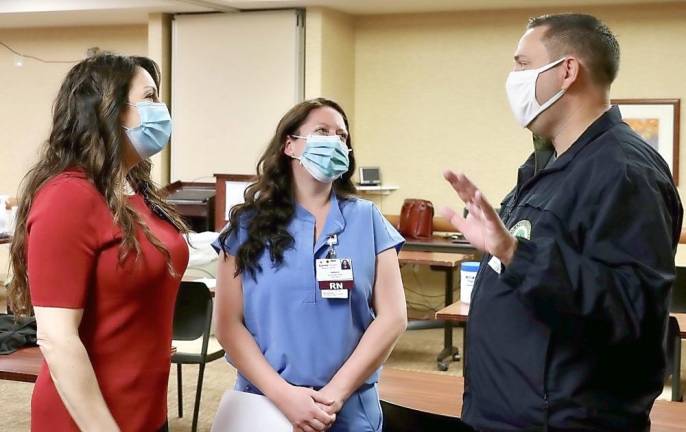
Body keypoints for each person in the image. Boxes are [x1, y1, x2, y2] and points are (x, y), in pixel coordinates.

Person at [441, 13, 683, 431]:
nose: (512, 78)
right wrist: (502, 249)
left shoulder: (625, 172)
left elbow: (628, 312)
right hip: (506, 413)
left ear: (567, 71)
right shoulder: (550, 166)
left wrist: (515, 253)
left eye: (521, 64)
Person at [8, 53, 189, 432]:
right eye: (151, 97)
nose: (162, 109)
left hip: (146, 410)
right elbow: (56, 339)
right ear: (110, 109)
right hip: (90, 420)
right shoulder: (68, 196)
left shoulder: (134, 189)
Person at [213, 98, 407, 432]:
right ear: (289, 145)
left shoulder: (367, 219)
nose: (335, 141)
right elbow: (229, 326)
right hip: (265, 406)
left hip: (347, 407)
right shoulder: (247, 226)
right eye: (322, 131)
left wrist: (335, 394)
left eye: (342, 136)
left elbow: (393, 317)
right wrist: (285, 396)